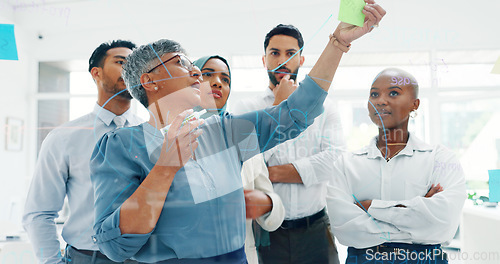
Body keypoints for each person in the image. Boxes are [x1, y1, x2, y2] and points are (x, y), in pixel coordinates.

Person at [90, 3, 384, 263]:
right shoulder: (121, 147)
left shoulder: (224, 132)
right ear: (150, 81)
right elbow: (114, 244)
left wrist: (337, 43)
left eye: (193, 64)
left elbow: (297, 112)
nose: (196, 73)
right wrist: (166, 167)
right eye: (180, 62)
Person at [327, 68, 466, 263]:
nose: (381, 101)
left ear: (414, 104)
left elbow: (443, 224)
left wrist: (370, 207)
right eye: (374, 94)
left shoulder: (440, 159)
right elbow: (344, 230)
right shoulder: (346, 164)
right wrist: (417, 213)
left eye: (393, 93)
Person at [230, 23, 344, 264]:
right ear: (264, 59)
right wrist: (276, 110)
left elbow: (334, 161)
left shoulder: (325, 108)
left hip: (316, 227)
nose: (283, 60)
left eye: (290, 53)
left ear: (301, 59)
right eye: (275, 53)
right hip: (267, 232)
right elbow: (244, 166)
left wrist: (268, 172)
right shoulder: (244, 109)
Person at [23, 40, 143, 264]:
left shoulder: (150, 135)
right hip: (87, 257)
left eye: (136, 65)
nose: (131, 70)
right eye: (121, 62)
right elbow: (39, 213)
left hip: (145, 257)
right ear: (96, 73)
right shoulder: (64, 138)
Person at [193, 55, 285, 264]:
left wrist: (266, 204)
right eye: (207, 75)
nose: (217, 82)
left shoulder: (244, 140)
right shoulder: (168, 138)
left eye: (225, 80)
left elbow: (273, 209)